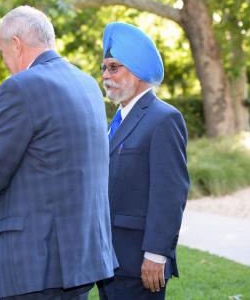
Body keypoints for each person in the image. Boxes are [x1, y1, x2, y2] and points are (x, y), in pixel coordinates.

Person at [0, 6, 117, 299]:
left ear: (16, 44)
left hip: (37, 260)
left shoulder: (20, 87)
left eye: (3, 52)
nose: (5, 63)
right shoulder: (87, 84)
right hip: (82, 253)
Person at [96, 22, 190, 300]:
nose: (105, 75)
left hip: (139, 261)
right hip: (109, 258)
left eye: (114, 67)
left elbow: (170, 193)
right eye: (104, 68)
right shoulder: (118, 119)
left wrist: (157, 254)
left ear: (137, 71)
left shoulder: (164, 118)